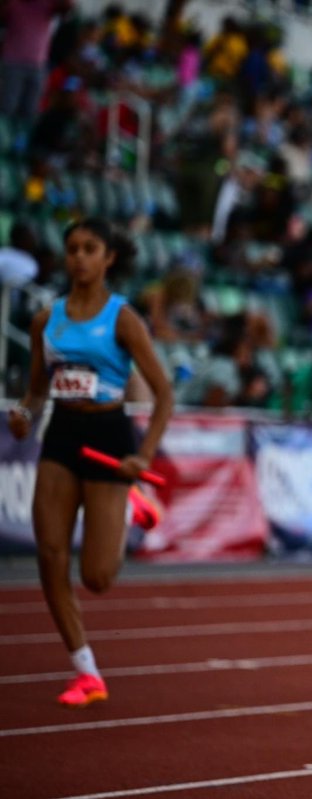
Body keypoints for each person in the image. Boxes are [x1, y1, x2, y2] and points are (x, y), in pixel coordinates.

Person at [6, 218, 174, 707]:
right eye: (72, 248)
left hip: (109, 435)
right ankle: (86, 670)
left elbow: (164, 395)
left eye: (89, 248)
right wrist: (22, 414)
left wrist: (142, 456)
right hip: (61, 436)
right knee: (50, 554)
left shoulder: (122, 319)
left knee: (98, 578)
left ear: (109, 258)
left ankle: (131, 503)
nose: (78, 257)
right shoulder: (46, 320)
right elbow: (37, 390)